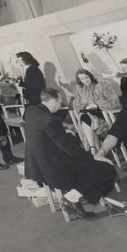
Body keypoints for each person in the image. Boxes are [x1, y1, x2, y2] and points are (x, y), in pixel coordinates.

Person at [24, 88, 117, 220]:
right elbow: (71, 149)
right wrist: (93, 156)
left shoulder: (31, 111)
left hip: (37, 166)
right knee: (107, 169)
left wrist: (64, 131)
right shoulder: (51, 120)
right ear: (52, 101)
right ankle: (71, 198)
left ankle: (75, 197)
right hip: (55, 169)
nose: (60, 105)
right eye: (59, 102)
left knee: (91, 165)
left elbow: (46, 133)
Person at [72, 68, 120, 153]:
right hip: (91, 114)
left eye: (86, 77)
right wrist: (86, 106)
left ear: (90, 76)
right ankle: (95, 150)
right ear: (79, 80)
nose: (85, 80)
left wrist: (98, 105)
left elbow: (114, 101)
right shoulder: (79, 89)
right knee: (85, 117)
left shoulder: (102, 84)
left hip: (105, 113)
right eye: (82, 79)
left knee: (85, 119)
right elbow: (76, 105)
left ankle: (94, 150)